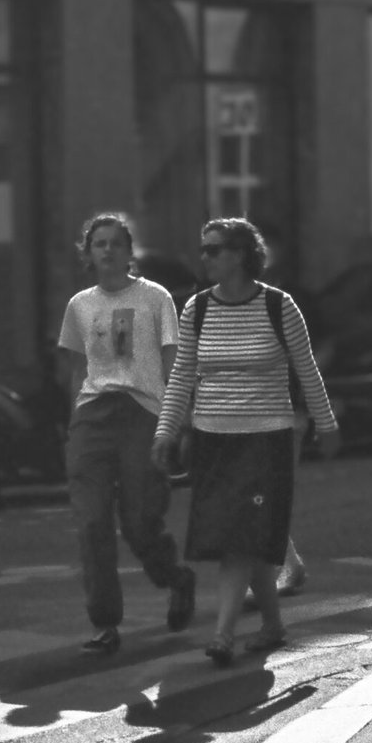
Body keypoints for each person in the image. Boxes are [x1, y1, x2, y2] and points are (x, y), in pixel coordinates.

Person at [151, 218, 339, 666]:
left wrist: (326, 423)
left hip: (265, 440)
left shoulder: (279, 306)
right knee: (240, 537)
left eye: (214, 249)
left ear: (240, 254)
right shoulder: (197, 309)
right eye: (203, 249)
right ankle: (272, 625)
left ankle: (223, 634)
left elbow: (306, 369)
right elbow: (182, 376)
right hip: (212, 440)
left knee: (241, 540)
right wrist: (166, 431)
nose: (205, 258)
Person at [56, 213, 197, 656]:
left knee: (139, 521)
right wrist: (75, 422)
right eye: (99, 243)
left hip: (143, 413)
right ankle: (104, 623)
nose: (108, 250)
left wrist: (178, 420)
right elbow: (77, 369)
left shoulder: (155, 298)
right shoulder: (80, 305)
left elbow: (175, 361)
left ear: (129, 251)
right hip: (94, 415)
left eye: (116, 242)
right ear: (88, 253)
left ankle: (175, 578)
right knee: (92, 521)